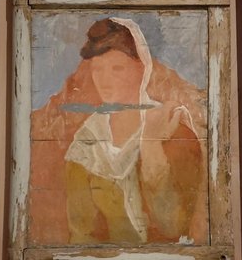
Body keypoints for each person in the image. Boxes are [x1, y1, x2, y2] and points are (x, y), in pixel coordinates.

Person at [30, 17, 206, 247]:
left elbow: (173, 227)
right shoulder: (86, 142)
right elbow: (81, 234)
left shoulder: (175, 131)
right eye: (98, 69)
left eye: (117, 68)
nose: (105, 80)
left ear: (142, 68)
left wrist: (151, 145)